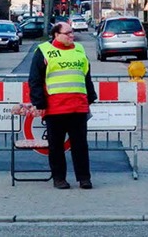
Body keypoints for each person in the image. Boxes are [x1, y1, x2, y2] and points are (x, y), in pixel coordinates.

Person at [28, 22, 97, 189]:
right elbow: (35, 79)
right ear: (56, 35)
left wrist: (90, 97)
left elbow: (86, 75)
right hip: (55, 108)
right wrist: (39, 103)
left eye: (72, 32)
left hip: (78, 107)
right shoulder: (43, 51)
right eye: (68, 33)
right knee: (56, 146)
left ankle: (84, 178)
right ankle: (59, 178)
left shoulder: (79, 49)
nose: (72, 36)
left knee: (80, 145)